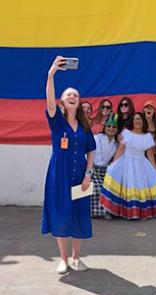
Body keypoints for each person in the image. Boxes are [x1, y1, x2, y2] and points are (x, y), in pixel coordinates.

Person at [42, 56, 96, 274]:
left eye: (76, 94)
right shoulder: (57, 121)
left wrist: (89, 174)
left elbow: (91, 149)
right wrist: (51, 74)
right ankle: (63, 259)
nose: (72, 96)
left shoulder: (84, 125)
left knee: (79, 214)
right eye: (68, 94)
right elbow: (48, 101)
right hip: (59, 175)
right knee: (61, 213)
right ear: (62, 101)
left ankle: (76, 257)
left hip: (80, 175)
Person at [100, 112, 156, 220]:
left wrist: (155, 167)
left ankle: (138, 212)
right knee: (127, 188)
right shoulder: (127, 133)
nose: (137, 121)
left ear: (143, 121)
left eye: (139, 119)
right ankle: (123, 211)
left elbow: (149, 154)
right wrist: (114, 163)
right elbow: (121, 149)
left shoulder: (147, 136)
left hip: (141, 163)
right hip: (127, 162)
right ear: (132, 122)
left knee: (140, 188)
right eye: (135, 119)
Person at [91, 113, 118, 218]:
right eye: (109, 126)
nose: (111, 129)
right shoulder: (97, 138)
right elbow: (88, 152)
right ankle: (93, 212)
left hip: (105, 171)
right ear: (105, 127)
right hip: (93, 168)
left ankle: (106, 212)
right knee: (96, 188)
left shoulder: (116, 144)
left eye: (114, 127)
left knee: (109, 188)